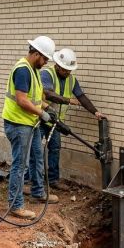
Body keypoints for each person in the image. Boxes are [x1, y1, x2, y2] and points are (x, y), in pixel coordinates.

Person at [2, 36, 58, 220]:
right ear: (36, 54)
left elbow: (34, 98)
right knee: (20, 164)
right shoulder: (23, 71)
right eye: (45, 59)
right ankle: (16, 205)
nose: (46, 63)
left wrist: (46, 107)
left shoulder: (33, 70)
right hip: (18, 125)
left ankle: (38, 192)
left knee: (37, 156)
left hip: (30, 123)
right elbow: (22, 100)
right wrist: (42, 114)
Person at [39, 48, 105, 191]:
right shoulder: (46, 74)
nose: (67, 73)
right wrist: (68, 100)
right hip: (39, 118)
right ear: (57, 65)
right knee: (35, 150)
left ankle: (53, 180)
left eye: (69, 70)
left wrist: (95, 112)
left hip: (55, 121)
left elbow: (81, 97)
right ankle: (30, 181)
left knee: (55, 149)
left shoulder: (71, 80)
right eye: (65, 70)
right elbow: (48, 94)